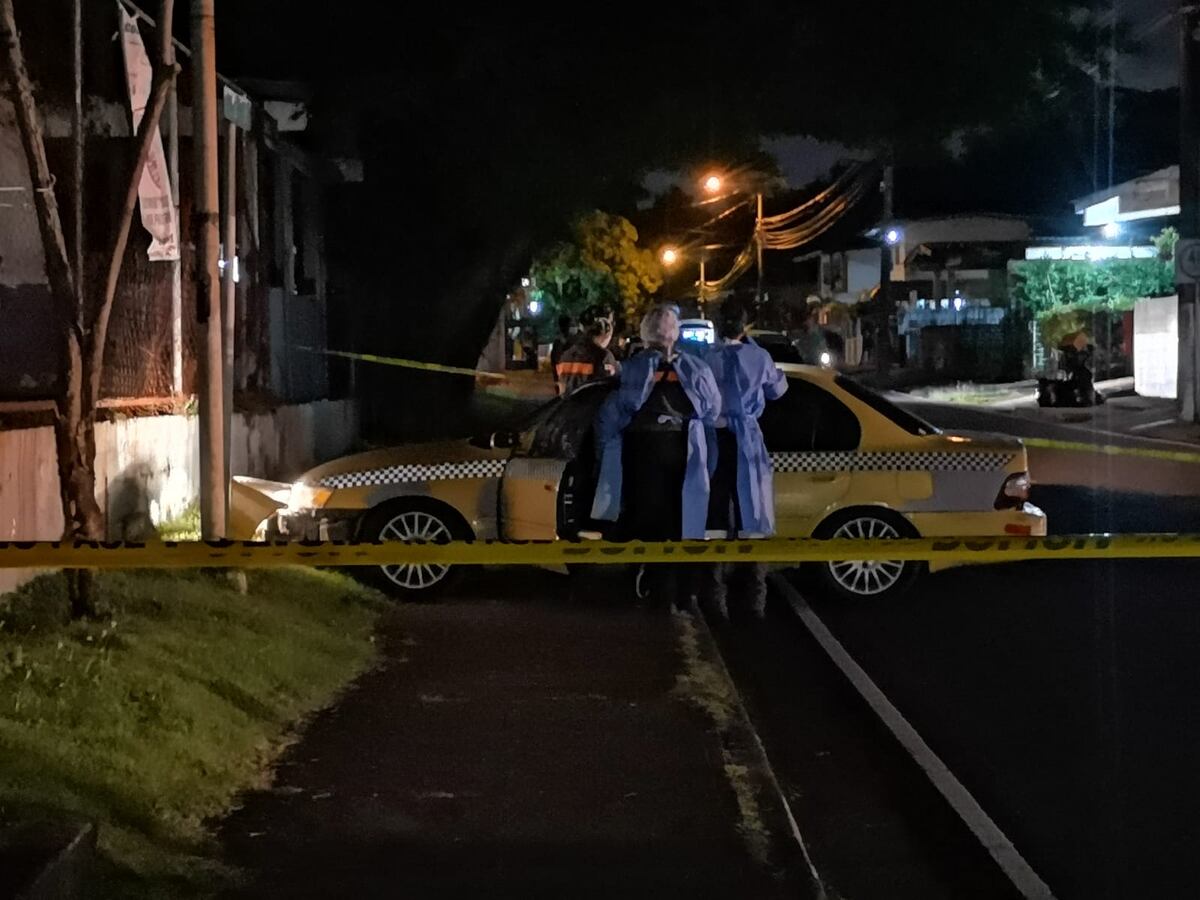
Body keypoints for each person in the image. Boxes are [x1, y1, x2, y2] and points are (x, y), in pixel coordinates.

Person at [591, 305, 721, 610]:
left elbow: (610, 416)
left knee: (651, 523)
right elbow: (713, 409)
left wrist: (602, 454)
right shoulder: (696, 368)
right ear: (674, 334)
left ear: (645, 334)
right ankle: (686, 592)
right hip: (687, 452)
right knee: (687, 522)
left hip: (643, 452)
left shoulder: (634, 368)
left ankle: (657, 590)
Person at [703, 300, 788, 620]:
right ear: (745, 326)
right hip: (748, 443)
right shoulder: (759, 357)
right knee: (754, 515)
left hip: (714, 441)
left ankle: (715, 601)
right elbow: (778, 390)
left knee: (714, 519)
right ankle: (755, 602)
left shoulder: (705, 358)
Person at [555, 314, 620, 395]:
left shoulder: (566, 355)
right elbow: (612, 385)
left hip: (567, 406)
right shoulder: (604, 356)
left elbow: (561, 386)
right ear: (607, 335)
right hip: (591, 406)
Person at [550, 315, 575, 393]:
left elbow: (554, 363)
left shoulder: (558, 342)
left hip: (563, 377)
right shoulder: (573, 342)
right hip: (569, 377)